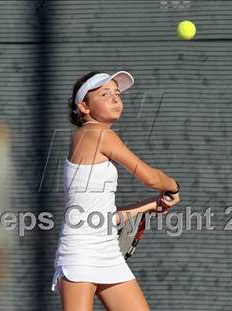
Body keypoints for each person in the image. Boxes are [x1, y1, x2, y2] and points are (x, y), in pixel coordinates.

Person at [51, 71, 180, 311]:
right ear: (84, 107)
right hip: (80, 253)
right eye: (104, 93)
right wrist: (173, 186)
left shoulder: (84, 136)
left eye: (117, 93)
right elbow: (151, 177)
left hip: (107, 251)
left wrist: (150, 205)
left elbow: (105, 216)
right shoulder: (99, 134)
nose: (115, 98)